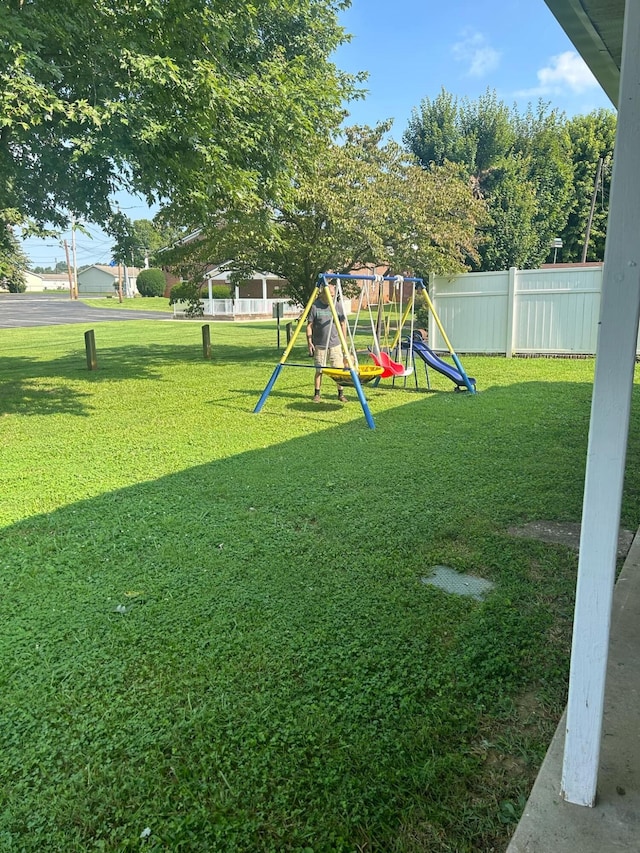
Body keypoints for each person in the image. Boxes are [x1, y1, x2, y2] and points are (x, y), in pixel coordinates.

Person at [306, 282, 350, 403]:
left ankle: (340, 394)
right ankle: (317, 394)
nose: (332, 297)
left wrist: (344, 341)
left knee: (338, 370)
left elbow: (342, 324)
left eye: (333, 294)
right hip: (320, 344)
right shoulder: (315, 306)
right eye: (329, 294)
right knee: (319, 370)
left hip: (335, 343)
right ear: (322, 295)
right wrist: (309, 342)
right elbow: (309, 325)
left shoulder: (337, 305)